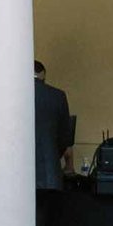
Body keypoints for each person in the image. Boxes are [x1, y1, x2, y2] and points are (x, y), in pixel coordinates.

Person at [34, 60, 75, 190]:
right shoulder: (58, 96)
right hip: (50, 174)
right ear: (43, 75)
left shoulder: (13, 95)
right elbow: (66, 138)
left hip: (18, 176)